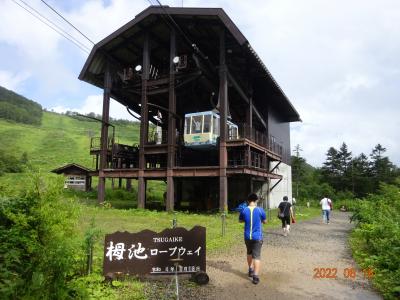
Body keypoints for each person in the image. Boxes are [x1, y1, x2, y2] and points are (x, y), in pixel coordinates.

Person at [239, 193, 266, 284]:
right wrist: (261, 220)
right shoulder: (260, 210)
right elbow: (265, 221)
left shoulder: (244, 210)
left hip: (247, 236)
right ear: (256, 200)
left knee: (249, 252)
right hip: (257, 237)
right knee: (257, 256)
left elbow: (240, 220)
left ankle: (250, 269)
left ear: (248, 200)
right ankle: (255, 276)